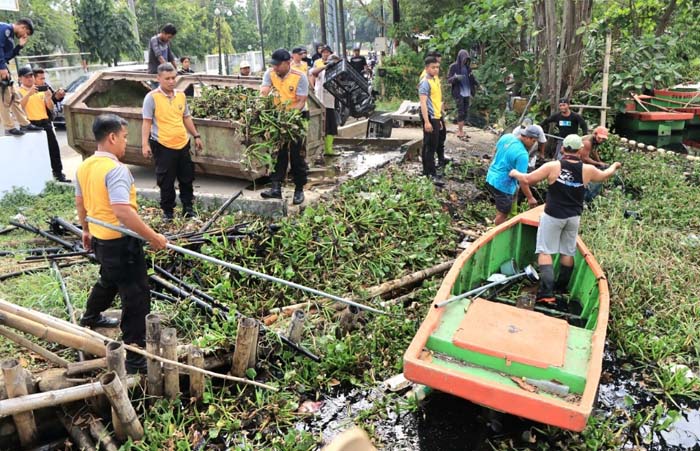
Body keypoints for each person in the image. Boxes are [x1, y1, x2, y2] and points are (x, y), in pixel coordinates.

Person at [76, 114, 168, 374]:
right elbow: (122, 212)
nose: (126, 143)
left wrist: (85, 230)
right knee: (136, 295)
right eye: (125, 137)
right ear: (112, 137)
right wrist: (153, 237)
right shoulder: (116, 170)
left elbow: (81, 202)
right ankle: (136, 357)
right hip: (120, 242)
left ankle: (90, 317)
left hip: (101, 239)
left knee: (108, 280)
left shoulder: (85, 166)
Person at [509, 134, 621, 303]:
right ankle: (561, 288)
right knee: (567, 252)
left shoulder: (553, 166)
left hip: (553, 215)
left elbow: (527, 179)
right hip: (573, 218)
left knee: (545, 251)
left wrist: (514, 172)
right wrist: (614, 165)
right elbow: (605, 175)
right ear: (580, 150)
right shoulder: (588, 170)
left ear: (563, 149)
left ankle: (546, 293)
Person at [142, 63, 203, 221]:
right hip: (163, 145)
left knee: (187, 178)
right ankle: (168, 212)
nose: (171, 81)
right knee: (166, 181)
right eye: (167, 78)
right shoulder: (152, 98)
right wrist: (144, 144)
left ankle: (188, 208)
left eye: (173, 78)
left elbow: (186, 117)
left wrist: (196, 135)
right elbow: (146, 122)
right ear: (158, 78)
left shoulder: (181, 95)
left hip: (183, 143)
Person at [260, 49, 309, 205]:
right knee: (277, 153)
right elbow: (264, 92)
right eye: (273, 65)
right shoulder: (270, 74)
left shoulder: (300, 77)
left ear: (287, 63)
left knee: (297, 155)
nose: (275, 68)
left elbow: (301, 101)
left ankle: (299, 189)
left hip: (297, 117)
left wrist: (289, 118)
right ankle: (276, 189)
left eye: (278, 65)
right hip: (277, 118)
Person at [17, 67, 70, 182]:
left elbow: (50, 107)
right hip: (30, 124)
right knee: (35, 153)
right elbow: (19, 107)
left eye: (31, 76)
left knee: (53, 149)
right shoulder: (18, 91)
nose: (29, 79)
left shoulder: (39, 90)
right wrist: (29, 94)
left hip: (45, 122)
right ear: (20, 78)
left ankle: (58, 174)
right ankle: (38, 178)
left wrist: (48, 97)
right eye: (26, 76)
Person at [485, 126, 540, 225]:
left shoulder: (507, 137)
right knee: (503, 214)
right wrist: (530, 198)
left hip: (490, 177)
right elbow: (522, 180)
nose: (534, 144)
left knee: (514, 191)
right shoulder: (522, 155)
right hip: (503, 185)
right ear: (528, 138)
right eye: (534, 141)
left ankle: (512, 216)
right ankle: (496, 233)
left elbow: (495, 152)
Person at [0, 18, 42, 137]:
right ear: (23, 27)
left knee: (14, 96)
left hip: (2, 67)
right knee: (4, 99)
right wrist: (2, 67)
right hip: (0, 68)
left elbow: (7, 56)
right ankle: (9, 127)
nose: (25, 35)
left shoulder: (10, 36)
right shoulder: (4, 29)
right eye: (26, 33)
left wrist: (19, 46)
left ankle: (24, 123)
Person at [418, 56, 446, 184]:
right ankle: (431, 173)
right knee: (430, 146)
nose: (436, 70)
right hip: (429, 116)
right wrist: (427, 121)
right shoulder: (425, 82)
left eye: (437, 67)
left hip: (435, 116)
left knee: (429, 144)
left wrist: (439, 117)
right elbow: (423, 103)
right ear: (427, 68)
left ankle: (426, 171)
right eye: (433, 67)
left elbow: (435, 101)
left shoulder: (435, 80)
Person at [310, 46, 339, 157]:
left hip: (330, 100)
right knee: (321, 125)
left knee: (331, 125)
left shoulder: (336, 67)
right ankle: (320, 149)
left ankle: (328, 150)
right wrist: (326, 66)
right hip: (320, 99)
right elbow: (313, 72)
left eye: (328, 53)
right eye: (324, 53)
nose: (325, 54)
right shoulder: (318, 64)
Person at [447, 49, 479, 140]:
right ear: (460, 58)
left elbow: (472, 78)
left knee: (465, 111)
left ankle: (461, 129)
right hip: (459, 93)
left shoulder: (468, 68)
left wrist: (478, 85)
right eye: (464, 59)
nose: (465, 60)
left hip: (467, 93)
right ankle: (460, 131)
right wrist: (456, 78)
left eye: (467, 59)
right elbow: (449, 80)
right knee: (460, 111)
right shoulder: (453, 67)